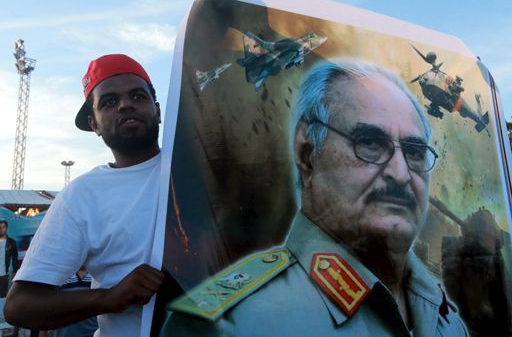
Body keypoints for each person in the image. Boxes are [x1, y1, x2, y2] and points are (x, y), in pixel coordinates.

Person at [163, 59, 468, 336]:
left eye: (415, 152)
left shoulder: (447, 320)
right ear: (307, 155)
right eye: (370, 143)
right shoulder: (229, 325)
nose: (401, 174)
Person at [4, 54, 165, 336]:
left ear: (158, 110)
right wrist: (109, 298)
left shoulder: (200, 170)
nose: (125, 104)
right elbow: (19, 306)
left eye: (137, 96)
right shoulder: (81, 195)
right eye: (109, 102)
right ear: (95, 124)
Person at [0, 220, 18, 297]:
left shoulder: (11, 242)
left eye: (3, 227)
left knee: (4, 296)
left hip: (4, 274)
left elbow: (15, 257)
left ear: (6, 228)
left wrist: (15, 271)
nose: (1, 229)